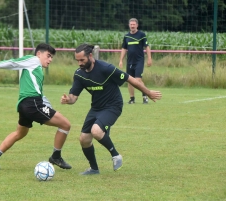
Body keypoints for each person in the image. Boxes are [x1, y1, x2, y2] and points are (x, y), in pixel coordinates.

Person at [60, 44, 162, 175]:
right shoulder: (79, 75)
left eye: (82, 60)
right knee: (84, 139)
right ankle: (94, 169)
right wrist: (67, 100)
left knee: (96, 131)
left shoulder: (105, 68)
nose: (79, 63)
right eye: (77, 60)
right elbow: (73, 98)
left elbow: (130, 79)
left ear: (90, 56)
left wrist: (148, 92)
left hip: (113, 106)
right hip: (96, 107)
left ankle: (116, 155)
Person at [0, 43, 72, 170]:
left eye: (52, 57)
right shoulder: (33, 60)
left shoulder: (37, 70)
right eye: (48, 56)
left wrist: (50, 109)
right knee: (65, 125)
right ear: (39, 54)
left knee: (20, 133)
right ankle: (56, 157)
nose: (50, 60)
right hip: (33, 105)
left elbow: (40, 94)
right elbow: (13, 62)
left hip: (25, 105)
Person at [119, 18, 152, 104]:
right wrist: (121, 60)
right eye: (131, 24)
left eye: (134, 24)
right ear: (129, 25)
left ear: (137, 25)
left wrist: (149, 58)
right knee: (129, 80)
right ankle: (132, 99)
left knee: (137, 79)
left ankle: (145, 96)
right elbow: (124, 49)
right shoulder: (126, 36)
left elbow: (147, 47)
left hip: (139, 61)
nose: (132, 26)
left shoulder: (141, 35)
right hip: (130, 61)